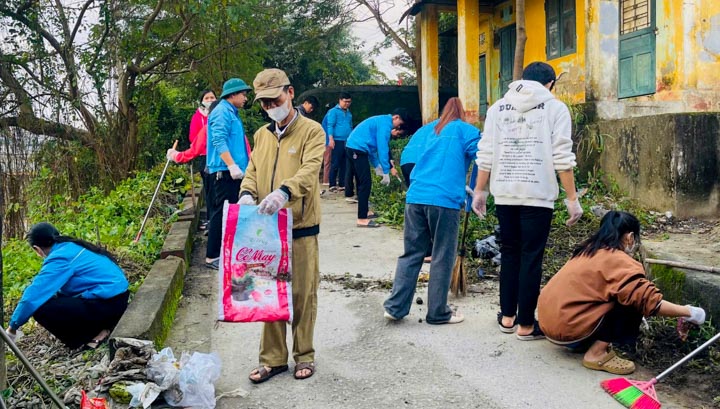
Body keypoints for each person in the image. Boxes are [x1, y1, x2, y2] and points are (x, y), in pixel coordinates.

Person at [472, 61, 584, 340]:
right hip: (538, 195)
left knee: (510, 254)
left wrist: (480, 191)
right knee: (531, 258)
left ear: (522, 80)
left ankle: (507, 318)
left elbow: (485, 153)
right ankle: (525, 325)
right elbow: (562, 158)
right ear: (550, 84)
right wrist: (572, 199)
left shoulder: (498, 108)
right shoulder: (556, 108)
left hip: (505, 193)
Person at [538, 211, 706, 374]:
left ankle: (586, 343)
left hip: (549, 324)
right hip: (569, 331)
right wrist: (690, 312)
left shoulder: (586, 250)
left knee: (616, 294)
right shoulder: (619, 261)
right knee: (631, 299)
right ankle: (596, 354)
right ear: (630, 237)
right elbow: (650, 302)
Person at [238, 68, 325, 383]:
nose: (270, 106)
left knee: (302, 295)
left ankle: (305, 355)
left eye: (274, 99)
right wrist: (247, 194)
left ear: (290, 93)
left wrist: (283, 192)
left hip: (300, 226)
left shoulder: (312, 131)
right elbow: (252, 169)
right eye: (264, 103)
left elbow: (310, 169)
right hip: (266, 230)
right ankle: (273, 359)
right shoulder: (262, 135)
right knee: (268, 295)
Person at [383, 98, 479, 324]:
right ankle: (438, 313)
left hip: (415, 197)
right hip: (444, 201)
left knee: (412, 253)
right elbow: (483, 158)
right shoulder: (467, 130)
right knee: (443, 255)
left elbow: (412, 159)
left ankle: (395, 308)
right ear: (462, 113)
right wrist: (476, 190)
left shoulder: (429, 130)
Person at [5, 222, 129, 350]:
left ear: (37, 249)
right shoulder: (71, 246)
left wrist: (12, 328)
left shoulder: (60, 258)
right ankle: (103, 328)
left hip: (109, 305)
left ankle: (89, 337)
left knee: (41, 308)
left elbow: (33, 296)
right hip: (119, 299)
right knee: (55, 297)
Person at [204, 78, 252, 270]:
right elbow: (218, 140)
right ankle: (212, 256)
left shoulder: (232, 112)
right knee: (220, 214)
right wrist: (231, 165)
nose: (245, 98)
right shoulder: (222, 112)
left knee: (231, 213)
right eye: (243, 94)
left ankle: (225, 252)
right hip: (224, 172)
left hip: (234, 171)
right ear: (232, 95)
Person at [345, 109, 408, 227]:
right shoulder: (385, 124)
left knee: (361, 182)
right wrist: (385, 171)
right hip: (357, 148)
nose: (398, 127)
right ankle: (362, 219)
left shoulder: (382, 120)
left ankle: (365, 211)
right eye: (399, 124)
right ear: (396, 117)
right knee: (365, 183)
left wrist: (377, 166)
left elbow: (373, 149)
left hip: (356, 147)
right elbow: (382, 148)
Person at [167, 100, 221, 232]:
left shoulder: (210, 127)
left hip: (215, 169)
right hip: (234, 174)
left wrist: (175, 155)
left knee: (214, 199)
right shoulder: (235, 124)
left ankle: (214, 229)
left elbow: (194, 150)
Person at [322, 93, 353, 192]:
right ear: (340, 100)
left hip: (346, 140)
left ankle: (342, 183)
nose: (347, 104)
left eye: (349, 102)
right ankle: (332, 184)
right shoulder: (333, 112)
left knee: (344, 163)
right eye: (345, 101)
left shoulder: (348, 113)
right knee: (335, 162)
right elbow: (330, 125)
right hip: (337, 140)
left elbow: (350, 126)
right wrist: (331, 139)